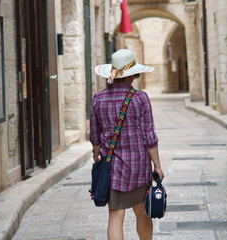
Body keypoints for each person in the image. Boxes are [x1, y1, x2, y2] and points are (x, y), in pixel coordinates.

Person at [89, 49, 165, 240]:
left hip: (112, 165)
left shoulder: (98, 98)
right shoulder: (140, 98)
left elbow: (95, 133)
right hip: (138, 166)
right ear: (132, 74)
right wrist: (157, 165)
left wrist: (96, 152)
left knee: (115, 215)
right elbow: (149, 136)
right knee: (143, 213)